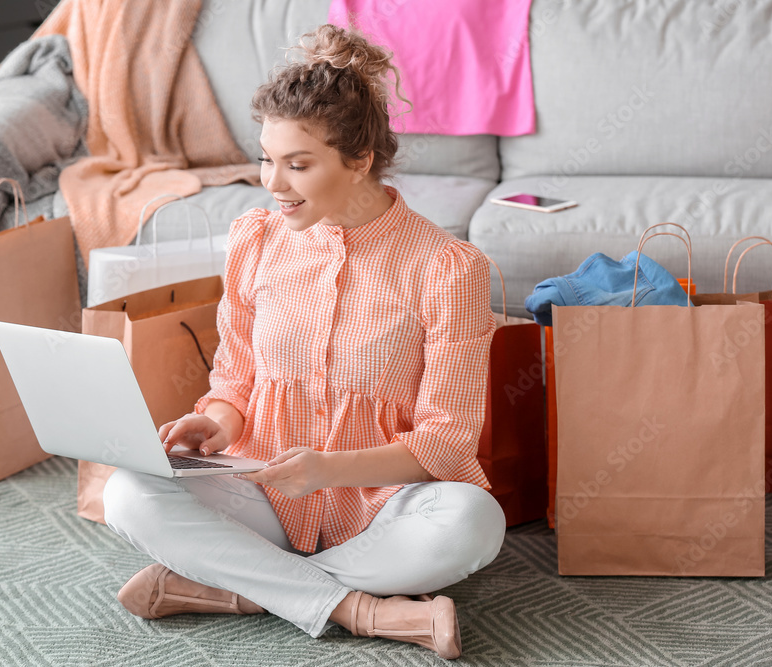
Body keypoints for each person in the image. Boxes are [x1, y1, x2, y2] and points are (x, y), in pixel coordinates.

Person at [101, 24, 505, 660]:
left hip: (384, 505)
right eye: (266, 158)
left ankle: (238, 588)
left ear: (360, 160)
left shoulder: (447, 266)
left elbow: (446, 443)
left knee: (474, 524)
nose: (273, 183)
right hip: (263, 490)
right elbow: (234, 380)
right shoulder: (254, 240)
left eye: (298, 164)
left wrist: (327, 469)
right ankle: (363, 610)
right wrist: (215, 424)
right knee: (125, 490)